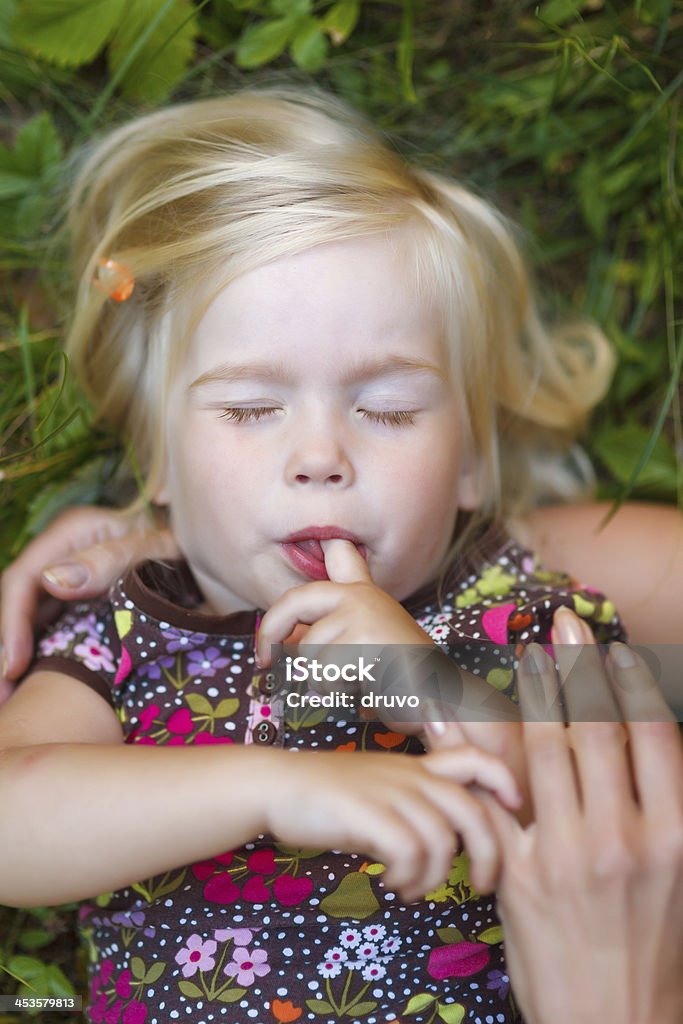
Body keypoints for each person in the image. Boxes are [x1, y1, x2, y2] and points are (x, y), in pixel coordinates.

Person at [0, 85, 640, 1024]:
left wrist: (428, 685)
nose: (319, 459)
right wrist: (273, 784)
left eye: (385, 409)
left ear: (469, 462)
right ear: (156, 462)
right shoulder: (124, 637)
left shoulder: (516, 608)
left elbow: (616, 830)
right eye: (252, 409)